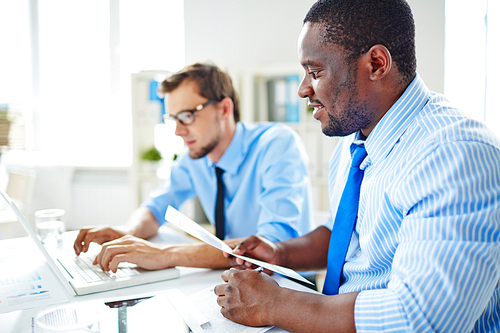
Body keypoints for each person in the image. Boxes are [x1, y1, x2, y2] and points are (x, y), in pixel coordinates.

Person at [214, 0, 500, 332]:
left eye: (316, 72)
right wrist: (281, 253)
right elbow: (347, 236)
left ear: (376, 64)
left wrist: (273, 304)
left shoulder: (454, 154)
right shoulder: (355, 145)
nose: (303, 89)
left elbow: (421, 318)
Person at [73, 62, 314, 272]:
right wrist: (128, 233)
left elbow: (269, 245)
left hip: (285, 283)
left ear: (224, 109)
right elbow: (156, 207)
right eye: (172, 119)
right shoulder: (195, 157)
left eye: (187, 116)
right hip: (236, 276)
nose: (178, 131)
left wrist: (165, 254)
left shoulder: (277, 145)